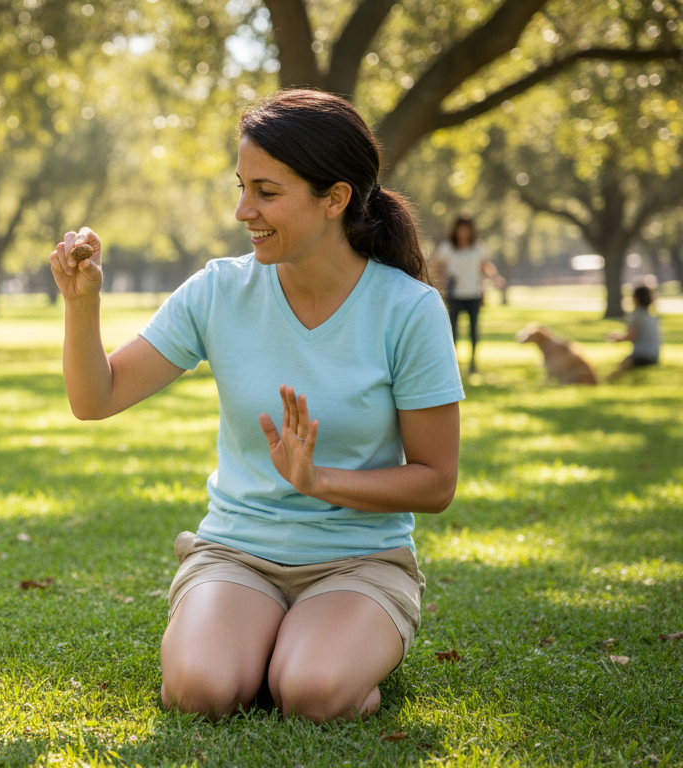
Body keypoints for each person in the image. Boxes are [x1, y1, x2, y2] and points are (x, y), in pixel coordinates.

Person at [48, 89, 464, 724]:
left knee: (313, 695)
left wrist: (319, 480)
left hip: (359, 559)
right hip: (239, 554)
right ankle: (265, 643)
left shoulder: (408, 309)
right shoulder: (220, 290)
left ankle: (317, 651)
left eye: (267, 193)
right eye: (242, 187)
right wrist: (81, 304)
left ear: (335, 198)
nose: (245, 210)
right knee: (199, 693)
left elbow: (436, 482)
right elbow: (95, 398)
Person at [430, 215, 502, 375]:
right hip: (454, 294)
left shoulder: (478, 247)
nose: (463, 231)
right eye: (461, 228)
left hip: (473, 294)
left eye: (466, 228)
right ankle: (452, 365)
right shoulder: (447, 247)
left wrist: (495, 278)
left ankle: (473, 365)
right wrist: (442, 282)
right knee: (453, 332)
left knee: (473, 331)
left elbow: (486, 266)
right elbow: (437, 266)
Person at [607, 284, 662, 381]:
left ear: (636, 298)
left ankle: (606, 383)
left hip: (642, 355)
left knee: (617, 371)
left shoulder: (637, 314)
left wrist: (617, 338)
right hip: (655, 355)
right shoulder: (652, 314)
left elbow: (632, 336)